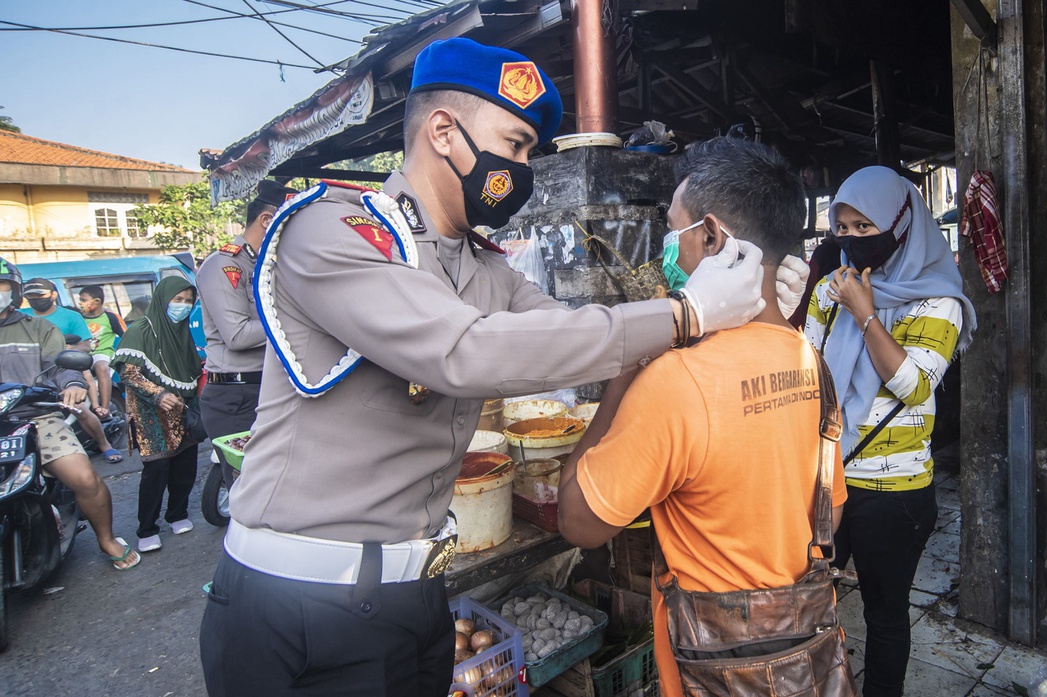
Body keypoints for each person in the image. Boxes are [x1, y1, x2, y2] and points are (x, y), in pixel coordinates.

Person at [198, 37, 778, 697]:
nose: (522, 169)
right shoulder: (335, 232)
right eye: (516, 144)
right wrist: (685, 313)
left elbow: (567, 336)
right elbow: (466, 351)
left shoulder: (485, 268)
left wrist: (729, 314)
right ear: (443, 131)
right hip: (299, 603)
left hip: (414, 596)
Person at [557, 137, 850, 697]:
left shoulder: (675, 381)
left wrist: (627, 368)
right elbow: (829, 512)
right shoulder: (810, 360)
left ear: (712, 237)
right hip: (801, 657)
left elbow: (578, 522)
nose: (667, 248)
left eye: (673, 230)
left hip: (711, 668)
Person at [803, 166, 976, 697]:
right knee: (810, 604)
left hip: (894, 491)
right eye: (843, 228)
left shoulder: (939, 300)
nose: (853, 239)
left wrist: (866, 316)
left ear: (901, 223)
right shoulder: (831, 290)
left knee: (885, 614)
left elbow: (914, 386)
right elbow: (808, 369)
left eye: (865, 226)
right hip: (827, 477)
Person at [0, 259, 140, 570]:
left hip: (35, 418)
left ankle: (106, 539)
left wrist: (74, 384)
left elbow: (60, 366)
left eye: (1, 285)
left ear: (14, 290)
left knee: (85, 479)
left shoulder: (38, 328)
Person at [196, 179, 296, 441]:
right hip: (235, 396)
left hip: (266, 387)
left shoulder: (263, 266)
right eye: (288, 225)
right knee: (244, 469)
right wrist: (294, 320)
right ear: (266, 220)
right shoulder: (224, 265)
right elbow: (237, 335)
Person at [111, 277, 204, 553]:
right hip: (150, 414)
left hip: (183, 410)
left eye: (188, 301)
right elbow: (128, 373)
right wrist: (158, 394)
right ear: (163, 299)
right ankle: (147, 529)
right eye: (177, 300)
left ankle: (177, 514)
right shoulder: (140, 330)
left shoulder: (181, 331)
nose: (183, 306)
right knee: (156, 471)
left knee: (185, 467)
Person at [22, 278, 124, 463]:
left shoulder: (71, 316)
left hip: (61, 372)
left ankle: (104, 445)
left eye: (40, 295)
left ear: (53, 295)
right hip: (27, 375)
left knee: (78, 408)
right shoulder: (21, 316)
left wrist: (64, 353)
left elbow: (86, 345)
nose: (36, 299)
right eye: (31, 296)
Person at [77, 284, 126, 423]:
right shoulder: (78, 317)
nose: (81, 303)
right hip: (82, 354)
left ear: (97, 301)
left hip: (102, 353)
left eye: (84, 300)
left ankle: (104, 408)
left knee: (102, 368)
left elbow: (126, 337)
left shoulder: (110, 317)